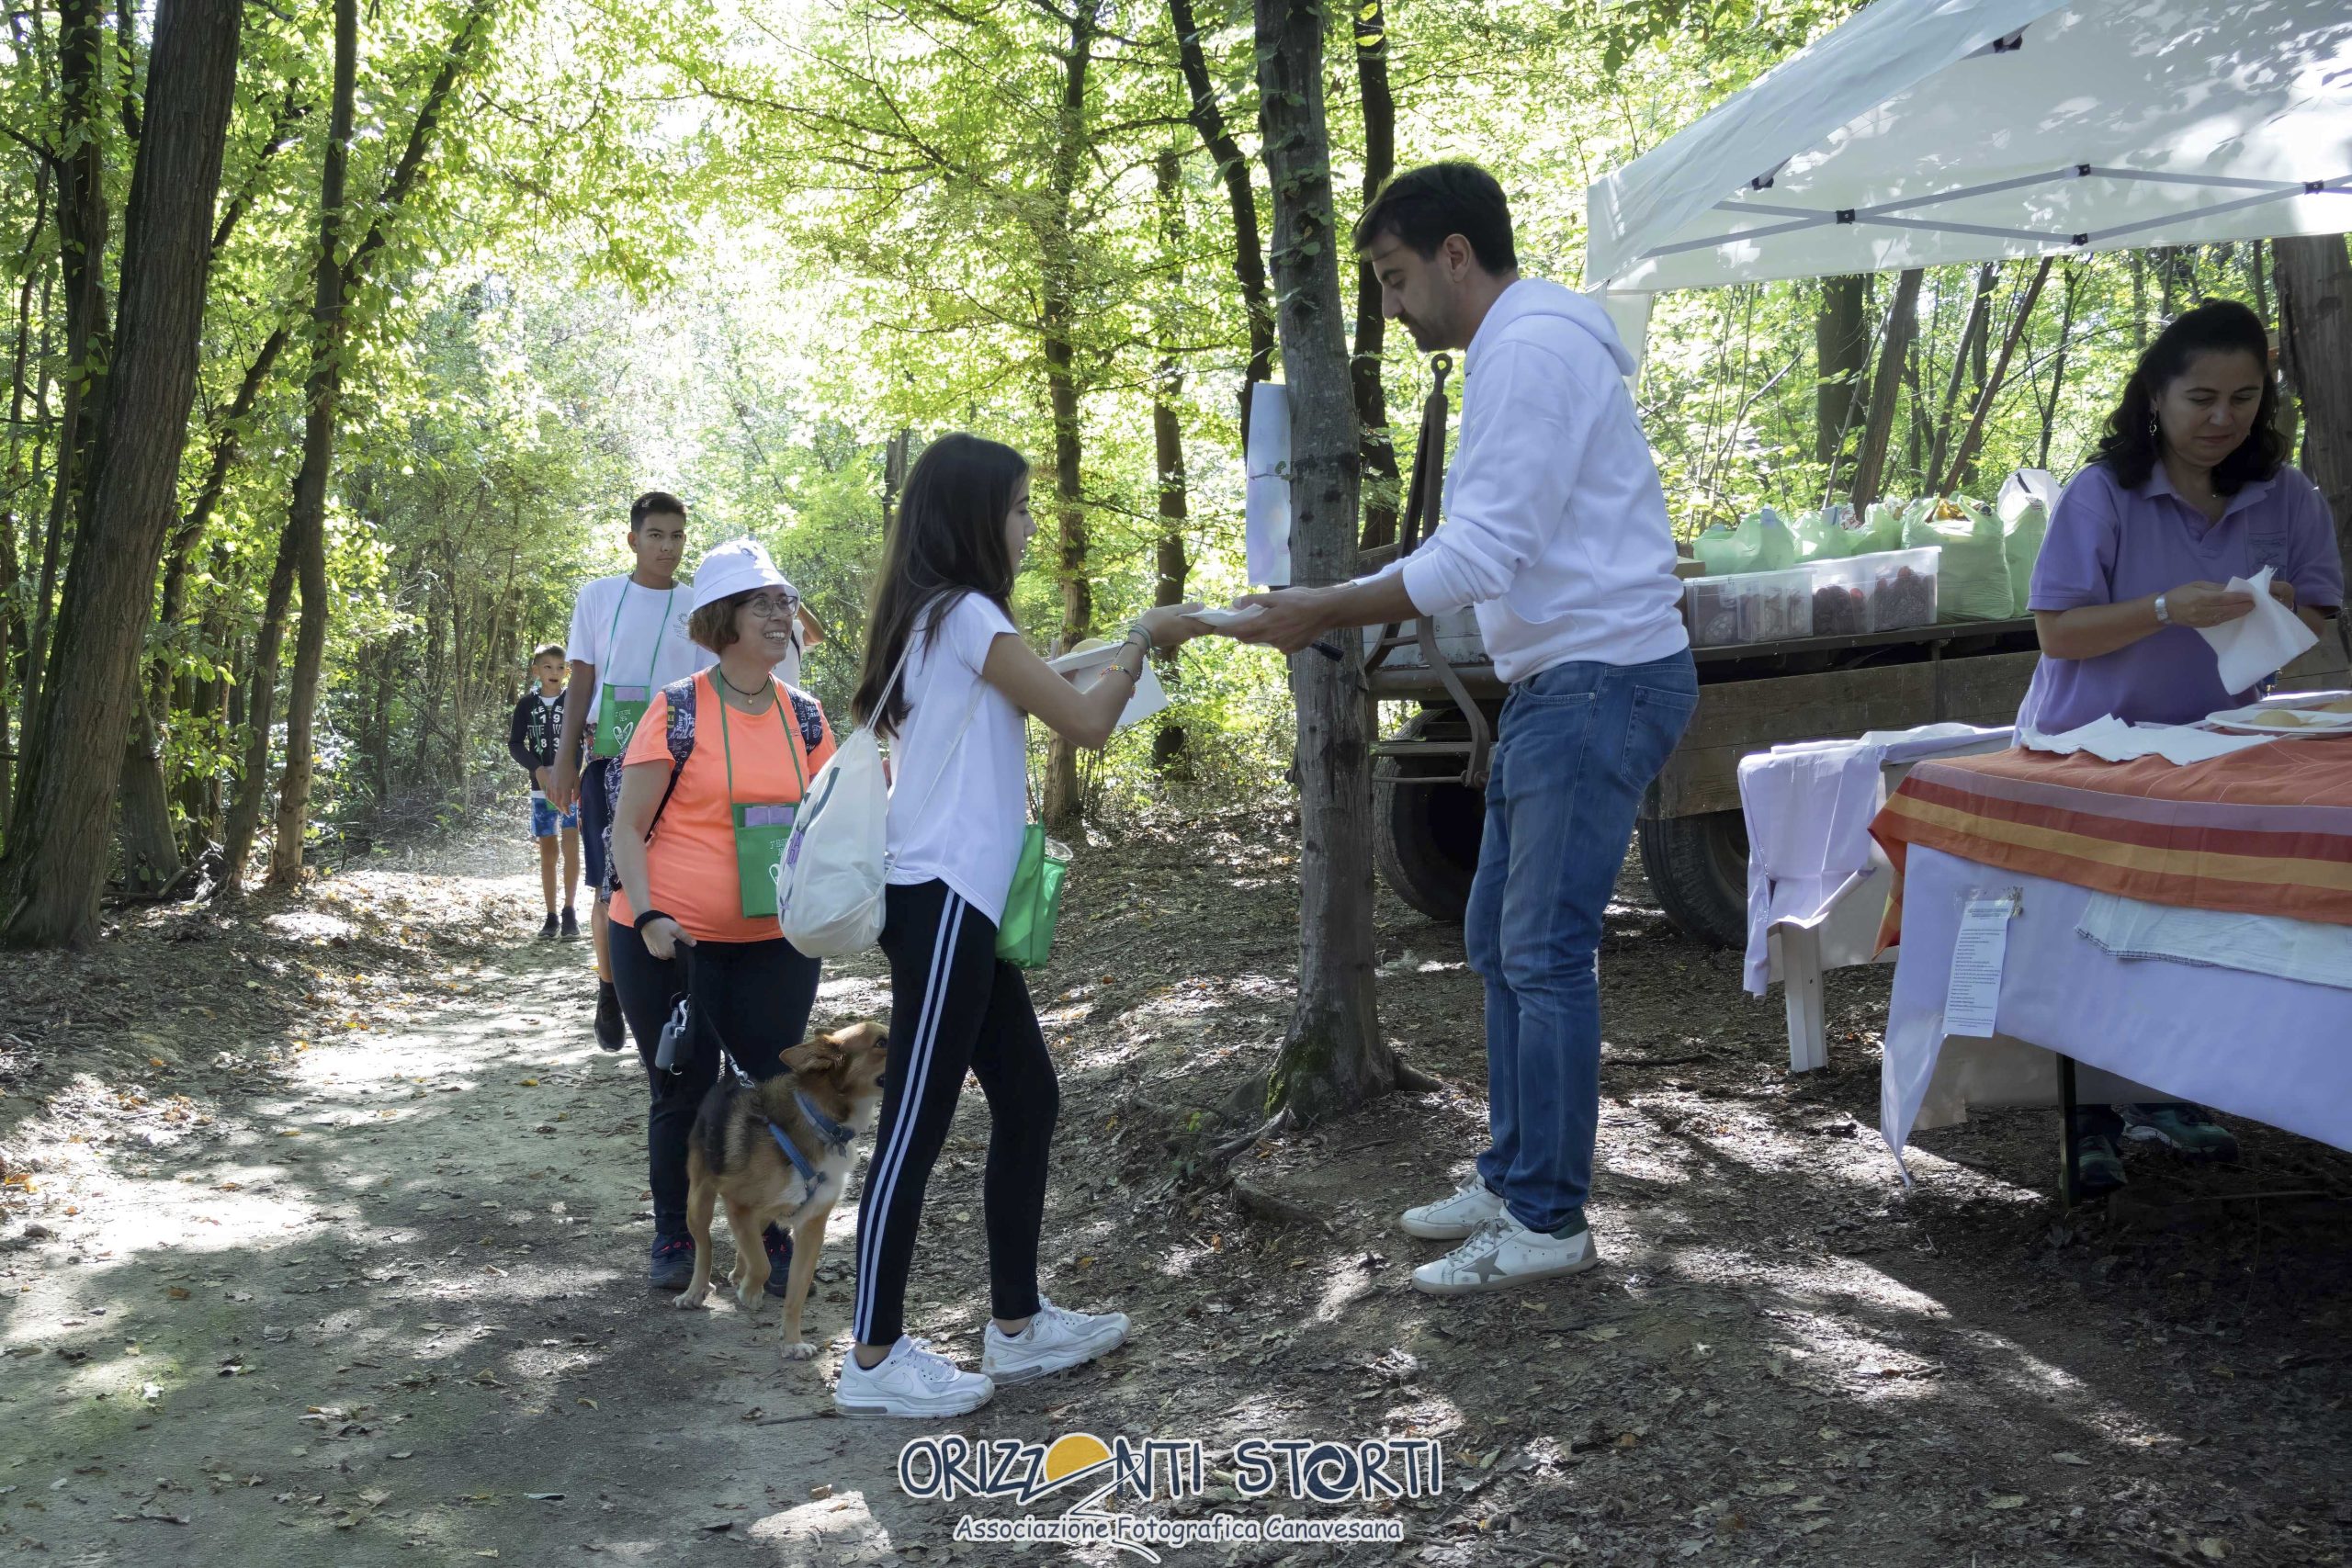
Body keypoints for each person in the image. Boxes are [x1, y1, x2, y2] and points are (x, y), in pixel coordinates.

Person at [1227, 162, 1696, 1297]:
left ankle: (1548, 1219)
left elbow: (1482, 556)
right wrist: (1345, 594)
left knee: (1542, 952)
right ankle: (1512, 1175)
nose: (1390, 307)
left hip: (1601, 678)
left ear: (1453, 254)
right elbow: (1485, 539)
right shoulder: (1518, 349)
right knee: (1495, 937)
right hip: (1560, 681)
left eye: (1394, 278)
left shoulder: (1529, 351)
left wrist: (1326, 607)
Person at [834, 433, 1205, 1417]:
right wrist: (1143, 636)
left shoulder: (932, 617)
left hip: (962, 900)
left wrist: (1109, 657)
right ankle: (871, 1356)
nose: (1030, 525)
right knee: (916, 1122)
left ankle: (1017, 1323)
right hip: (942, 898)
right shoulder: (965, 614)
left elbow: (1042, 704)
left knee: (1030, 1098)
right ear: (974, 519)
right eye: (1018, 508)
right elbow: (1085, 723)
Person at [2016, 298, 2342, 1191]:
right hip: (2092, 751)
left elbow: (2319, 608)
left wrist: (2280, 608)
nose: (2222, 419)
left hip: (2217, 751)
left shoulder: (2285, 493)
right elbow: (2056, 632)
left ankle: (2167, 1092)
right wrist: (2165, 609)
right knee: (2092, 934)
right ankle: (2087, 1113)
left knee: (2189, 925)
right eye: (2201, 398)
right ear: (2155, 396)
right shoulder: (2102, 493)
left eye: (2244, 398)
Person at [606, 537, 836, 1292]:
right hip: (672, 941)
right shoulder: (676, 710)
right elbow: (627, 828)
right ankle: (677, 1234)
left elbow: (834, 821)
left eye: (785, 601)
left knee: (774, 1090)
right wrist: (648, 916)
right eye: (762, 602)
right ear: (724, 618)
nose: (781, 614)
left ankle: (766, 1239)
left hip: (778, 941)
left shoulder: (807, 718)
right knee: (685, 1089)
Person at [549, 493, 704, 1051]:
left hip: (678, 762)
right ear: (633, 539)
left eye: (677, 536)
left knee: (675, 877)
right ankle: (609, 987)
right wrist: (565, 759)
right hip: (608, 756)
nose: (667, 547)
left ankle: (678, 993)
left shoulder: (698, 604)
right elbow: (582, 680)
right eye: (656, 535)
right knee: (608, 882)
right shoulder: (598, 595)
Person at [508, 644, 581, 940]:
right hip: (541, 791)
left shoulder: (575, 701)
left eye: (560, 667)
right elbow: (515, 744)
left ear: (568, 671)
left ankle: (569, 911)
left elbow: (583, 740)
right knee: (548, 850)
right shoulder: (526, 704)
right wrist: (537, 769)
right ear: (536, 670)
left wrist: (575, 772)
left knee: (571, 845)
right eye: (547, 666)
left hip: (570, 787)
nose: (554, 672)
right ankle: (551, 916)